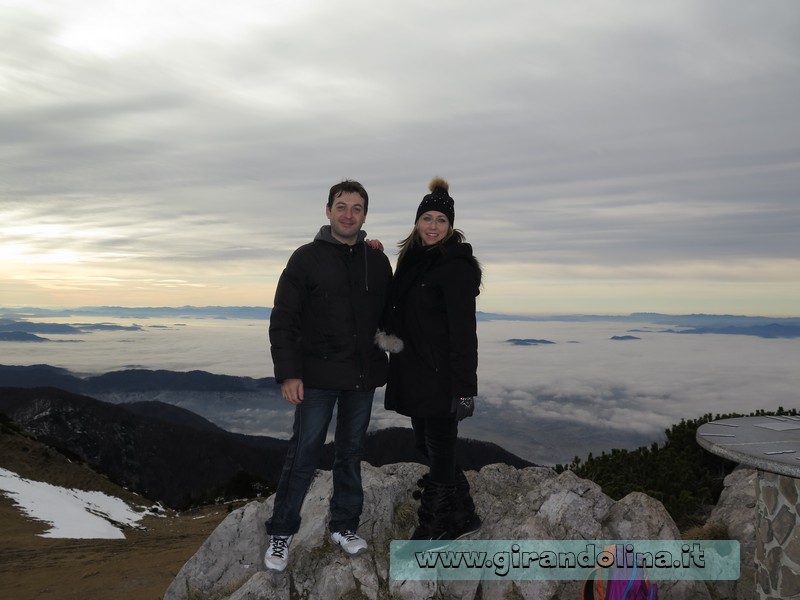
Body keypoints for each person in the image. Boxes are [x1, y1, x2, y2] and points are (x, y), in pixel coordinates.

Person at [264, 180, 392, 572]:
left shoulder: (377, 261)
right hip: (316, 377)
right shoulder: (305, 259)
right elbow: (284, 319)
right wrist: (289, 374)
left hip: (360, 376)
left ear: (365, 216)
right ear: (328, 211)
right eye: (341, 206)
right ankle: (282, 533)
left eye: (356, 208)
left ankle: (344, 525)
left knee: (350, 454)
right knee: (303, 454)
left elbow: (392, 311)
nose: (348, 214)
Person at [377, 177, 482, 540]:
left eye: (441, 220)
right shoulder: (413, 261)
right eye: (428, 218)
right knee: (425, 443)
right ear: (417, 222)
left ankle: (437, 524)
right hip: (415, 370)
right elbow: (394, 305)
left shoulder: (455, 267)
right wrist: (372, 253)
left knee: (439, 446)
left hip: (441, 375)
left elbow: (464, 331)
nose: (433, 226)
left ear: (450, 227)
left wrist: (465, 389)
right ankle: (464, 511)